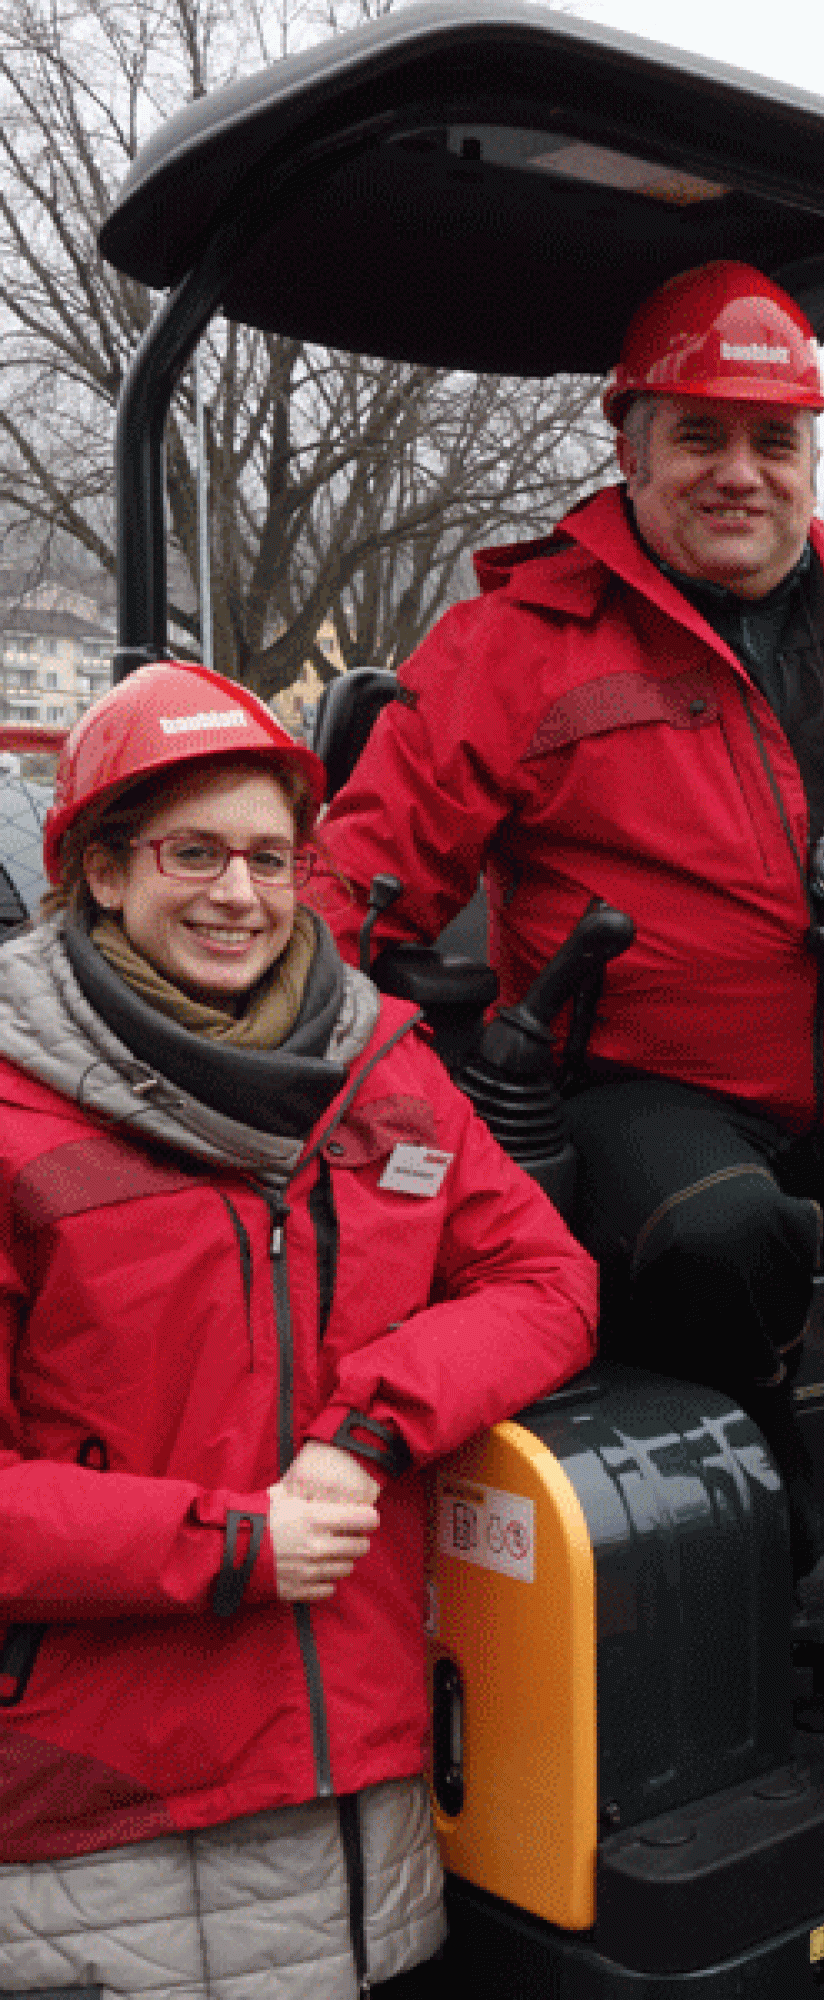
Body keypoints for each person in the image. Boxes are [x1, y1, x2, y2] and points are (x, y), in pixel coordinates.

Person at [308, 262, 824, 1559]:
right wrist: (277, 1048)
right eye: (699, 436)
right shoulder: (514, 647)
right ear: (632, 454)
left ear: (813, 456)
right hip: (644, 1087)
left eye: (773, 439)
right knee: (721, 1235)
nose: (738, 472)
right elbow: (362, 880)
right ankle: (767, 1508)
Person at [0, 663, 597, 1997]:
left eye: (271, 856)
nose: (239, 894)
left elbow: (545, 1282)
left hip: (356, 1806)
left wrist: (371, 1428)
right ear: (101, 871)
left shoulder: (383, 1071)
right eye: (192, 852)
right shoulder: (13, 1116)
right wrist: (229, 1547)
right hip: (99, 1826)